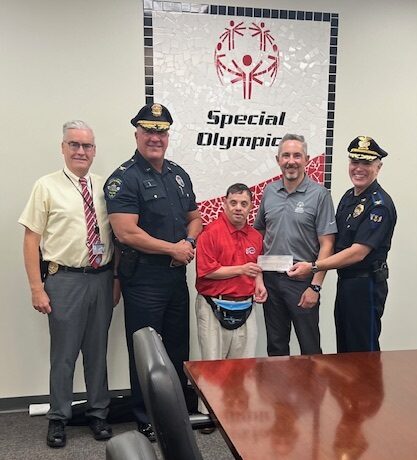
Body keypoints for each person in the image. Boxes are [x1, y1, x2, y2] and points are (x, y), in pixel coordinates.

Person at [104, 103, 202, 441]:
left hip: (176, 277)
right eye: (148, 130)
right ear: (137, 134)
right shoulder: (123, 179)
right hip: (143, 279)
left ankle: (176, 413)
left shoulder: (178, 174)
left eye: (160, 131)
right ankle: (146, 417)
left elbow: (195, 217)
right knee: (146, 351)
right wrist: (171, 248)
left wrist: (188, 242)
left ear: (168, 136)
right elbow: (126, 233)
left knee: (177, 347)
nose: (155, 137)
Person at [19, 120, 117, 448]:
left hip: (101, 279)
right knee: (63, 355)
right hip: (64, 280)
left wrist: (115, 280)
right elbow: (31, 239)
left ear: (94, 150)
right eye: (73, 144)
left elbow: (116, 236)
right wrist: (36, 286)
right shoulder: (45, 186)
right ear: (62, 148)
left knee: (97, 352)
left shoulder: (106, 188)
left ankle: (98, 414)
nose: (80, 151)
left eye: (87, 146)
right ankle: (58, 418)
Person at [288, 136, 397, 352]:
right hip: (347, 283)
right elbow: (335, 243)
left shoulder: (379, 205)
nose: (359, 168)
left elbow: (357, 253)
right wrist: (315, 280)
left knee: (363, 352)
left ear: (378, 167)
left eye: (366, 163)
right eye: (354, 162)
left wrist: (313, 267)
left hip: (366, 285)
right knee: (346, 349)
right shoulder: (350, 197)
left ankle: (368, 388)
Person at [254, 133, 337, 356]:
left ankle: (312, 392)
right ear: (278, 159)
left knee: (309, 349)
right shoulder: (269, 192)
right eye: (286, 155)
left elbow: (327, 244)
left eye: (297, 156)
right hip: (271, 279)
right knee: (276, 347)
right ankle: (278, 392)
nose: (291, 161)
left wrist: (315, 286)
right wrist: (258, 276)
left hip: (301, 281)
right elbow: (258, 233)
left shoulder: (320, 195)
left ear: (307, 159)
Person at [195, 183, 267, 429]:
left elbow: (256, 267)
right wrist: (241, 269)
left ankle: (237, 411)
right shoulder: (210, 233)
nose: (238, 208)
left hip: (246, 306)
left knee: (243, 365)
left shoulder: (256, 237)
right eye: (234, 203)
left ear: (250, 207)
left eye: (244, 204)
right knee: (212, 363)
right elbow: (207, 271)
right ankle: (208, 416)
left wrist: (259, 282)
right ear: (225, 203)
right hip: (213, 305)